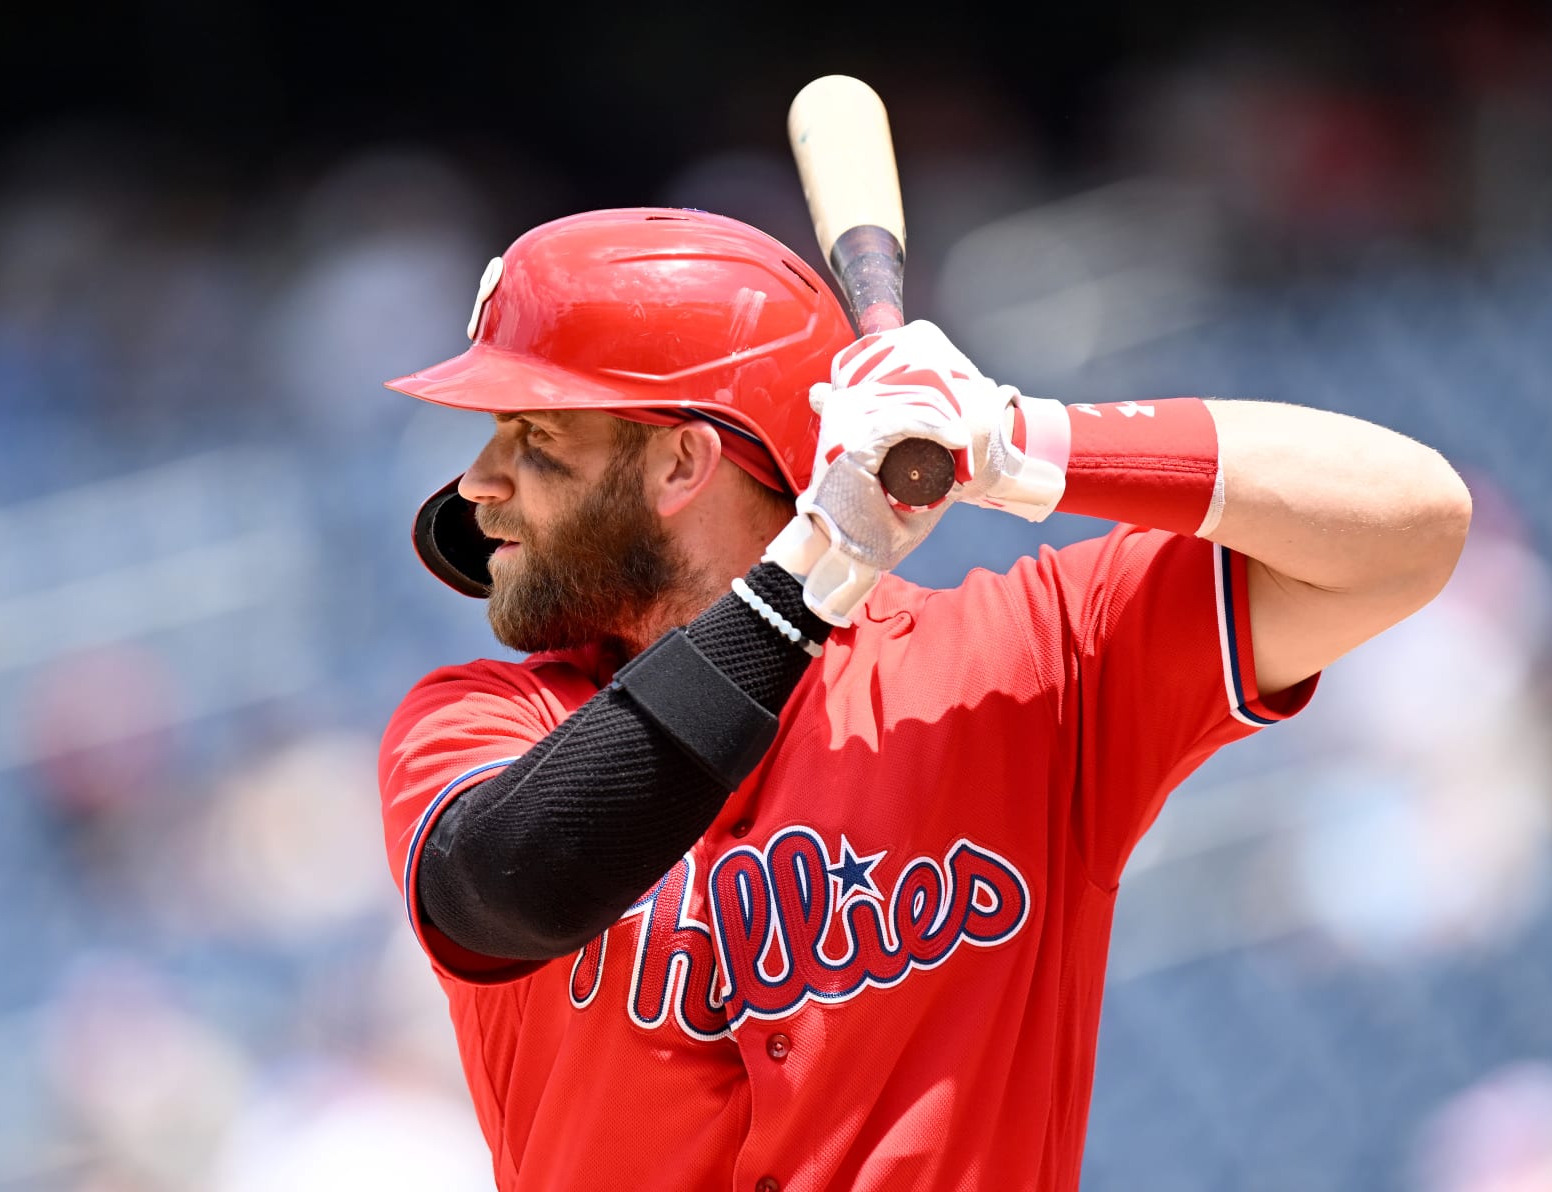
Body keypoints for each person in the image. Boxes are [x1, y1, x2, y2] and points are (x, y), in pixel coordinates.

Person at [374, 207, 1472, 1190]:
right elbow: (507, 888)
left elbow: (1411, 524)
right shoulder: (480, 717)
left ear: (680, 466)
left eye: (534, 436)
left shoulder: (1025, 659)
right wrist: (819, 564)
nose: (478, 482)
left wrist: (1018, 442)